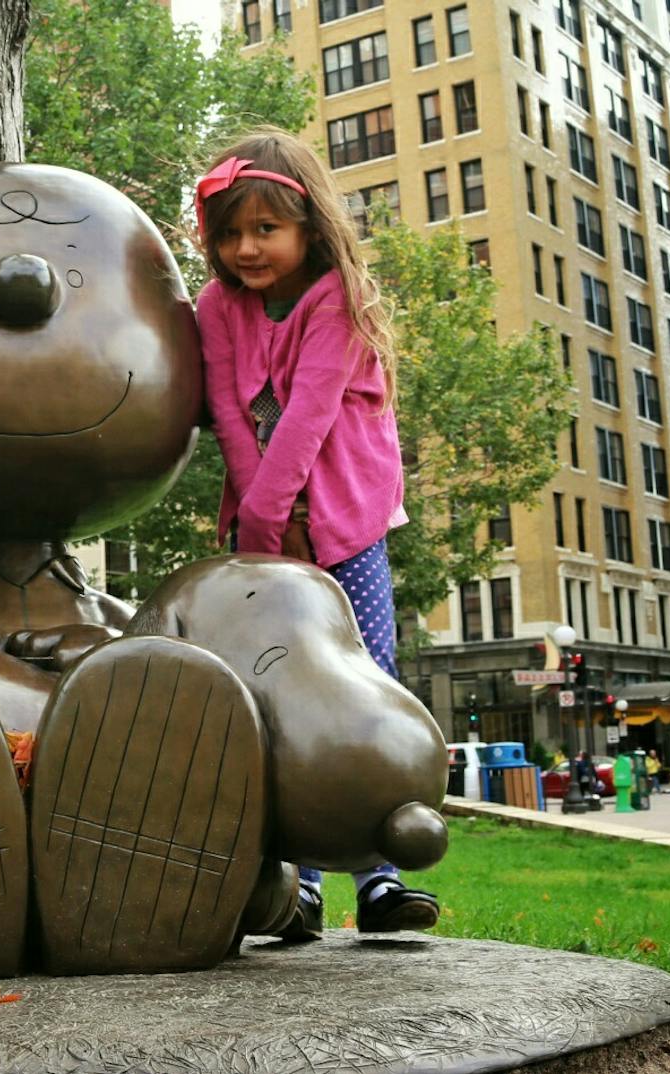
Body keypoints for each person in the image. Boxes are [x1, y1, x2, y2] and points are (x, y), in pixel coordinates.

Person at [193, 126, 440, 941]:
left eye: (265, 229)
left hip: (343, 522)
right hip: (261, 531)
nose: (245, 248)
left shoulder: (338, 298)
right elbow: (231, 413)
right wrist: (259, 527)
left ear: (308, 226)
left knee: (362, 683)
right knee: (267, 694)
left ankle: (379, 873)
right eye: (229, 233)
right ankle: (293, 882)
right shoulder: (217, 307)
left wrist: (279, 517)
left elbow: (306, 418)